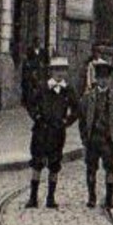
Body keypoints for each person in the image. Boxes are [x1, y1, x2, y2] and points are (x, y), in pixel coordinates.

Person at [25, 55, 79, 209]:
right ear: (50, 72)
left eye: (62, 70)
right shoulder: (43, 87)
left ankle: (50, 197)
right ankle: (33, 198)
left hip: (57, 132)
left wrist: (66, 122)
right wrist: (36, 116)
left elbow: (76, 109)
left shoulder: (68, 90)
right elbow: (30, 103)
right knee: (37, 162)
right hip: (41, 131)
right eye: (56, 70)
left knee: (54, 163)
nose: (59, 73)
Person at [77, 58, 113, 211]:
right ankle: (91, 197)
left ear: (109, 79)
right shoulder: (88, 98)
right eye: (100, 78)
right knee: (91, 168)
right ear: (96, 79)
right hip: (93, 139)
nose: (103, 81)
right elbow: (82, 120)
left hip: (109, 139)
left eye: (106, 78)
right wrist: (84, 138)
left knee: (110, 168)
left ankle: (109, 198)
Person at [20, 43, 47, 111]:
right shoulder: (28, 60)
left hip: (37, 74)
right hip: (30, 75)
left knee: (37, 87)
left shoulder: (41, 52)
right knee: (30, 88)